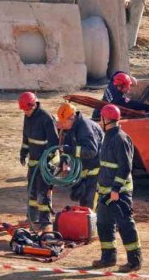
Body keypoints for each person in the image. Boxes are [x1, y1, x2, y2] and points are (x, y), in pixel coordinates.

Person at [94, 104, 142, 272]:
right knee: (103, 223)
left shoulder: (120, 139)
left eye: (101, 118)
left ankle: (134, 261)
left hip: (119, 193)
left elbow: (125, 167)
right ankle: (108, 258)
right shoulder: (107, 136)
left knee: (125, 224)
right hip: (105, 192)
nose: (100, 121)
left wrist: (115, 189)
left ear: (106, 119)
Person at [18, 92, 60, 232]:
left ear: (34, 105)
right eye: (24, 110)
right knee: (32, 192)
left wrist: (46, 160)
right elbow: (26, 136)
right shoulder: (28, 116)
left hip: (46, 163)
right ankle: (32, 218)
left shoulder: (46, 118)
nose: (26, 112)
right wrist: (24, 151)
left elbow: (54, 143)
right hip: (33, 161)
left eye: (27, 110)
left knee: (43, 192)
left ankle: (44, 221)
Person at [56, 102, 104, 208]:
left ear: (72, 118)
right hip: (86, 171)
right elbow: (66, 144)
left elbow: (91, 151)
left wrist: (70, 150)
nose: (63, 125)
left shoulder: (84, 129)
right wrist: (64, 160)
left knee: (90, 205)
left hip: (96, 172)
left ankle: (93, 219)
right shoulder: (73, 127)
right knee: (83, 202)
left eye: (64, 122)